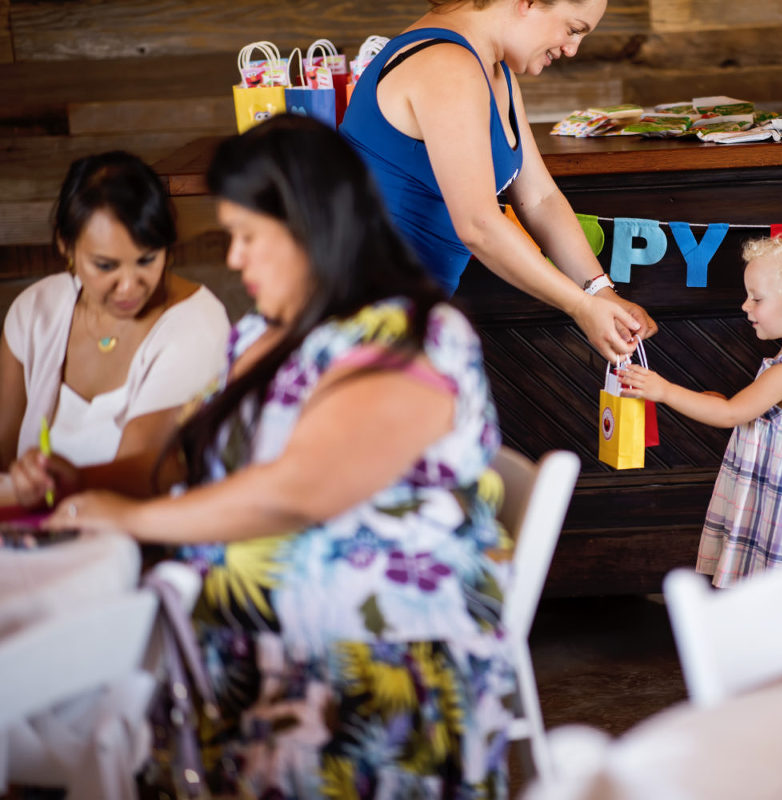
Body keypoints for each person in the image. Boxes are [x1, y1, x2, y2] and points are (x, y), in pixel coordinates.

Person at [45, 115, 513, 798]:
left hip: (370, 672)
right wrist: (71, 483)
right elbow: (182, 460)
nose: (233, 260)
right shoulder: (259, 337)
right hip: (251, 650)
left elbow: (298, 490)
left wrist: (129, 520)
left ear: (309, 225)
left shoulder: (411, 338)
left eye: (246, 238)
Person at [339, 0, 657, 364]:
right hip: (360, 320)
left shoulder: (494, 71)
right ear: (528, 3)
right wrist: (579, 306)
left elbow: (540, 198)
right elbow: (478, 224)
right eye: (573, 29)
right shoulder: (446, 65)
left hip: (409, 316)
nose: (572, 49)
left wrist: (601, 293)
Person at [619, 230, 782, 587]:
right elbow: (750, 412)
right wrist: (718, 402)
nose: (745, 306)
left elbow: (733, 415)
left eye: (757, 298)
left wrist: (665, 390)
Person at [0, 151, 229, 508]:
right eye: (106, 266)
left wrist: (63, 485)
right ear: (66, 246)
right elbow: (3, 456)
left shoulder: (197, 326)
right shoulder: (37, 312)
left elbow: (143, 475)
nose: (129, 287)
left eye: (147, 260)